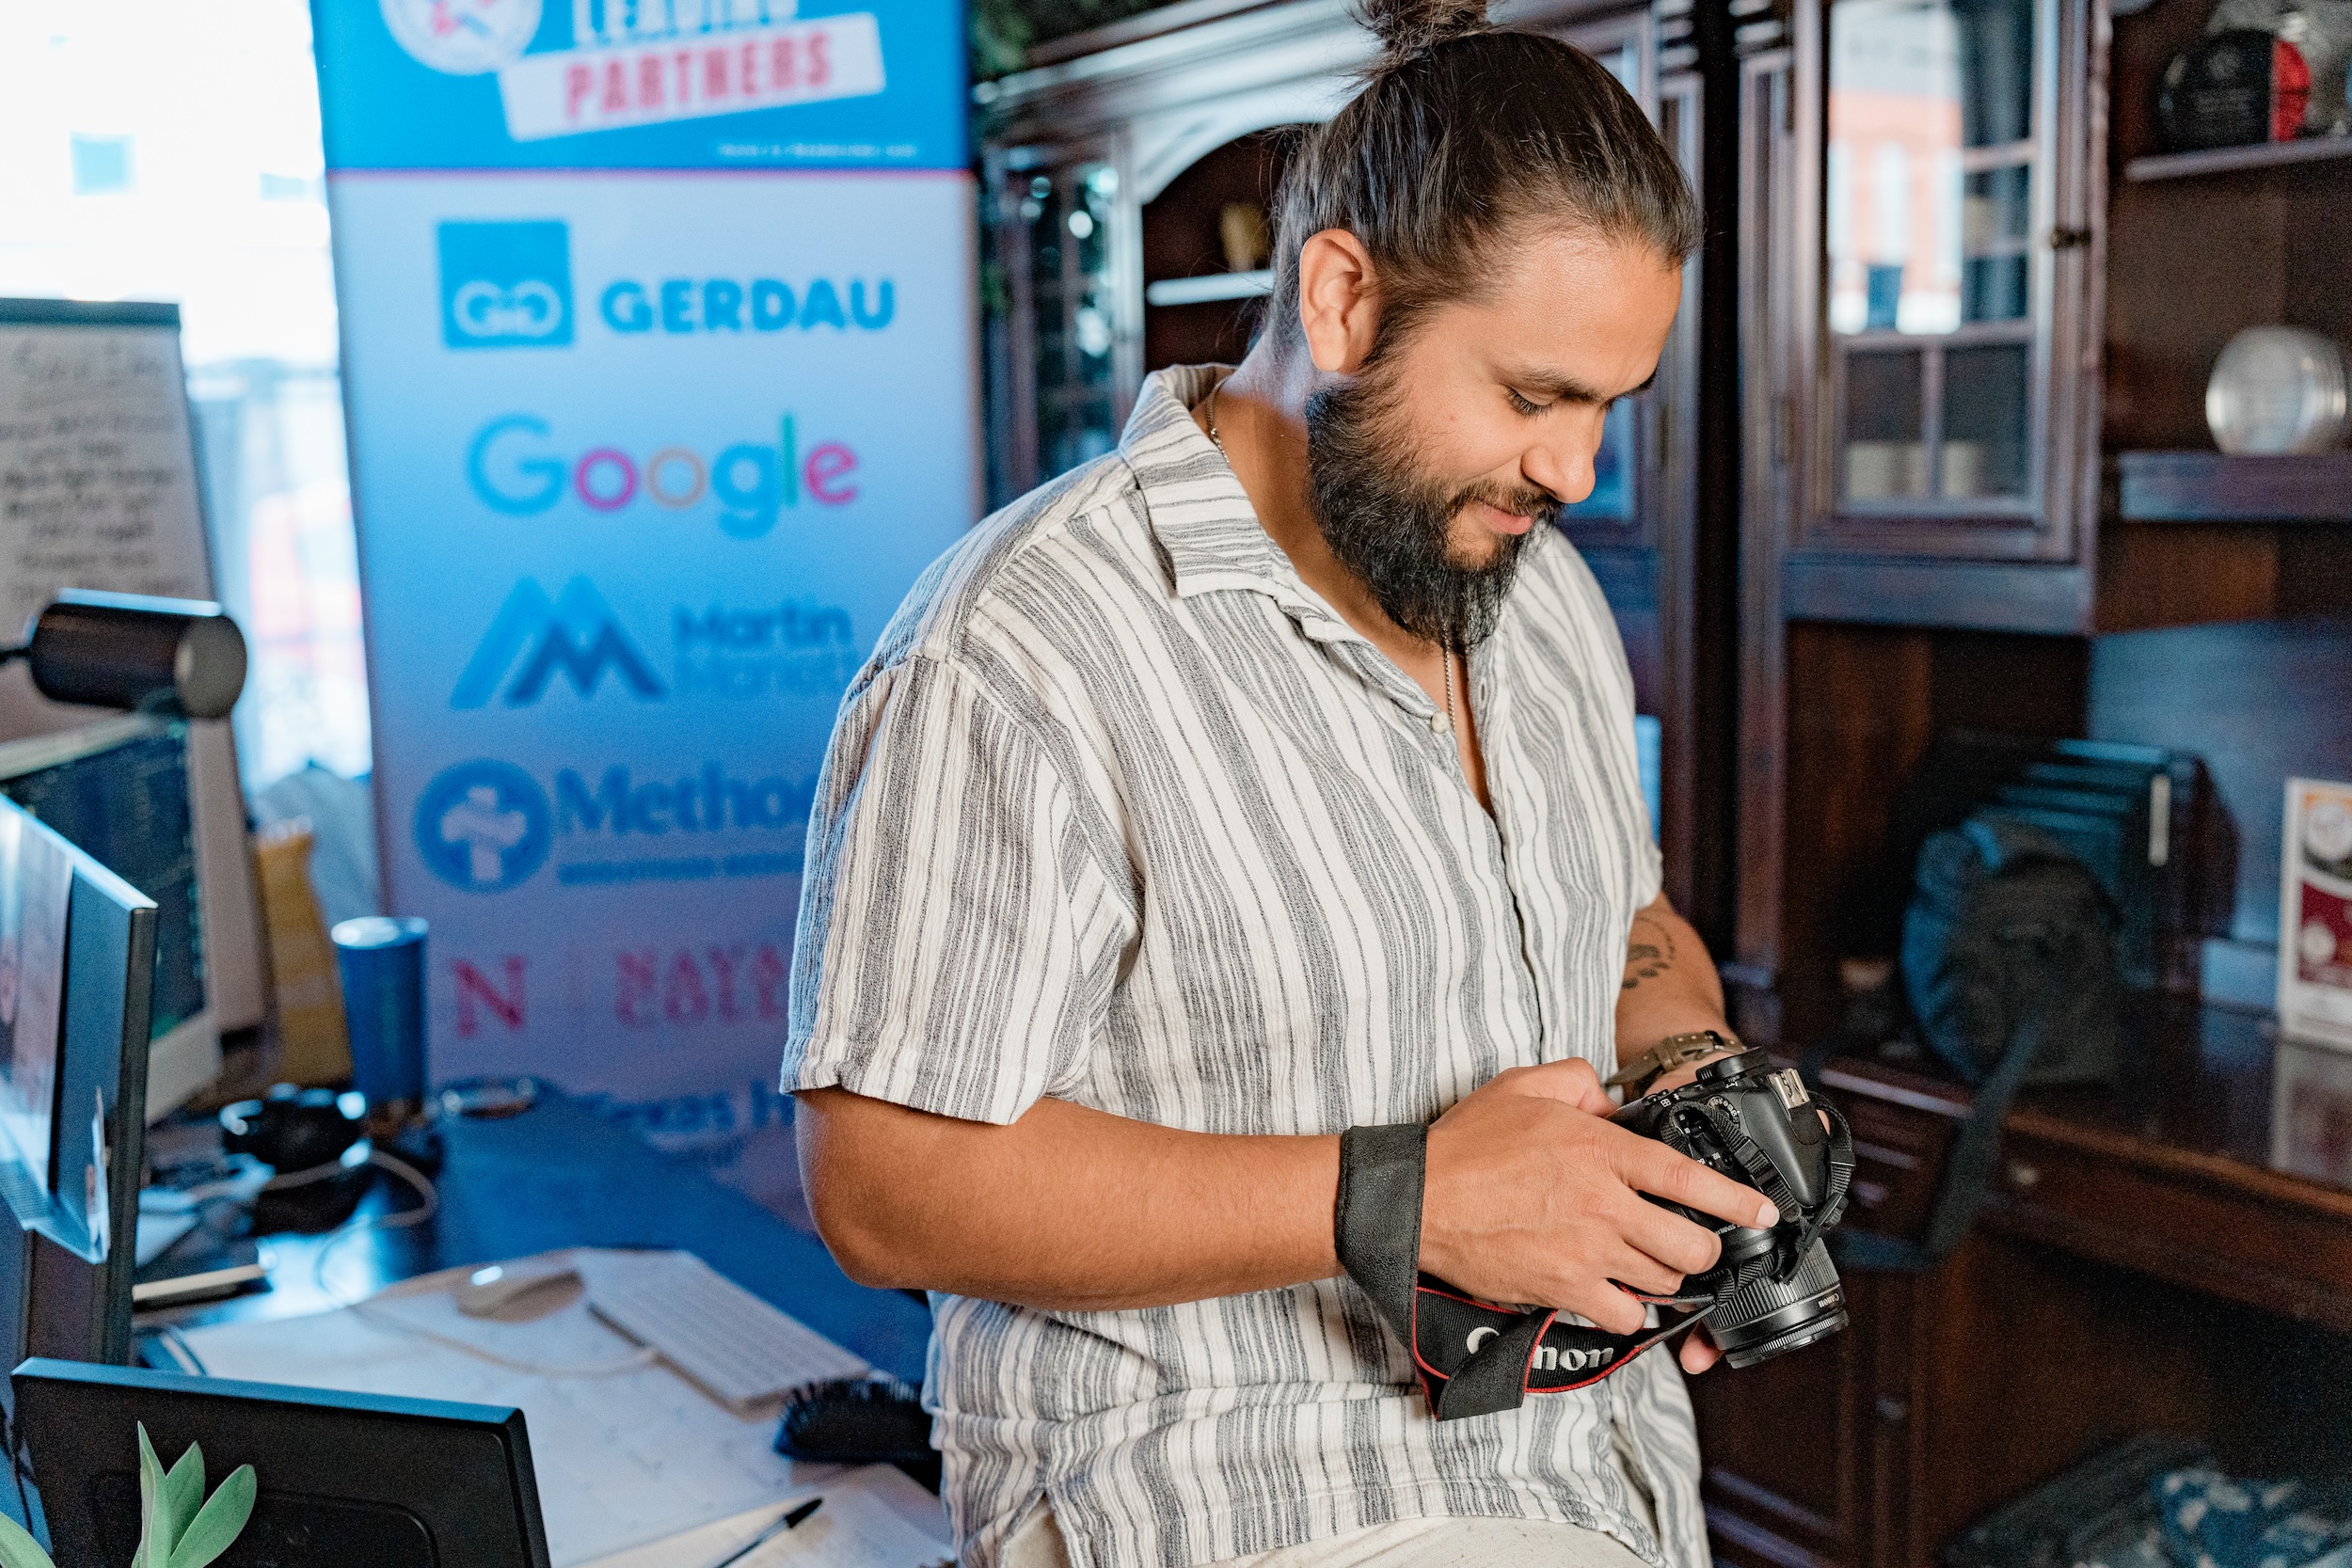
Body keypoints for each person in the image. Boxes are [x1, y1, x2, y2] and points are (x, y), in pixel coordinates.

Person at [783, 1, 1772, 1562]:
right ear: (1343, 300)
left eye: (1606, 405)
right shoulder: (1016, 649)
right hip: (1237, 1502)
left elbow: (1622, 925)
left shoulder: (1543, 594)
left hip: (1606, 1486)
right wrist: (1402, 1199)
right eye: (1532, 397)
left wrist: (1698, 1094)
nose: (1576, 470)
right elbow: (881, 1183)